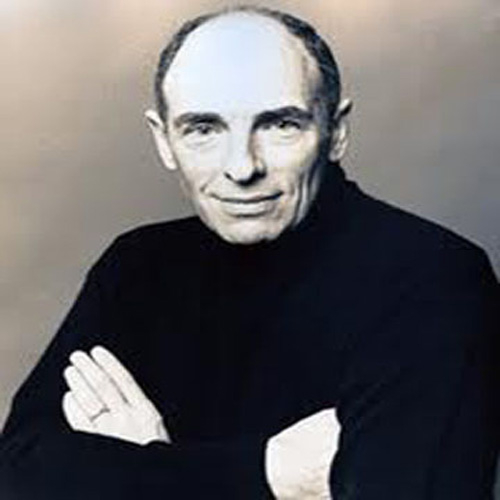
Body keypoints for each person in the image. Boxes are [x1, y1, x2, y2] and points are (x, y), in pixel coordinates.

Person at [1, 6, 499, 499]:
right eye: (204, 129)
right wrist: (269, 472)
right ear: (163, 139)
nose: (241, 167)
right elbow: (17, 474)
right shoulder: (137, 266)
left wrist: (140, 469)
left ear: (336, 132)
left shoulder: (436, 277)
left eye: (280, 125)